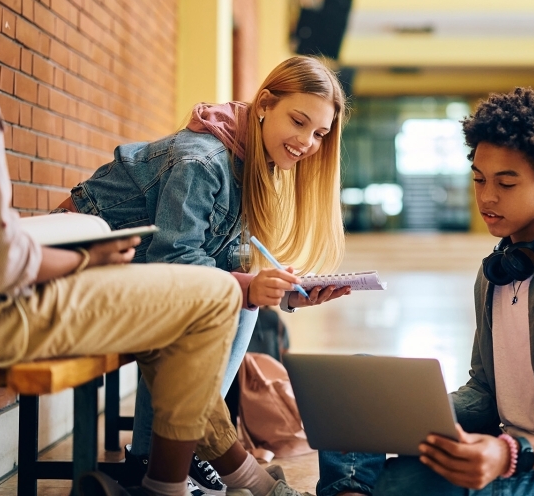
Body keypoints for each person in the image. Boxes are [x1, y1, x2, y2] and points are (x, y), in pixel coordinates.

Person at [0, 0, 260, 496]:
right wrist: (86, 255)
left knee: (193, 297)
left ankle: (219, 474)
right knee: (214, 295)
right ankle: (168, 484)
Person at [316, 88, 534, 496]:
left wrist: (509, 453)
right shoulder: (497, 269)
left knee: (400, 483)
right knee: (361, 393)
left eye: (506, 183)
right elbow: (487, 392)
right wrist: (417, 413)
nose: (487, 197)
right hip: (503, 448)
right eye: (478, 179)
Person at [54, 55, 350, 495]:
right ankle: (173, 458)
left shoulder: (253, 158)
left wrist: (286, 293)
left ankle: (171, 454)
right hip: (69, 283)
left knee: (239, 310)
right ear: (266, 103)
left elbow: (226, 261)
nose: (307, 141)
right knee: (203, 319)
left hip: (131, 283)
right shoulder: (204, 160)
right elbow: (175, 265)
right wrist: (252, 288)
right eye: (300, 121)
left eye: (320, 133)